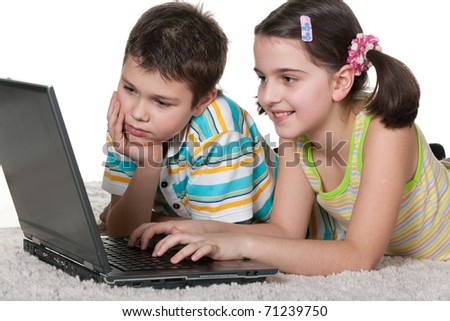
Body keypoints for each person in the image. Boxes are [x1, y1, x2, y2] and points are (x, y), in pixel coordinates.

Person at [128, 0, 449, 275]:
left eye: (289, 78)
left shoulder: (384, 130)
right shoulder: (296, 132)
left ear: (341, 83)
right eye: (263, 78)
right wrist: (192, 229)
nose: (268, 95)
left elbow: (360, 256)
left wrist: (242, 243)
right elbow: (286, 230)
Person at [100, 2, 276, 236]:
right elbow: (120, 231)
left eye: (161, 102)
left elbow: (219, 242)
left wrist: (155, 219)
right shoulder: (129, 124)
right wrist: (149, 165)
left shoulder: (220, 136)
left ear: (202, 101)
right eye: (130, 88)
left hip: (283, 234)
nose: (138, 113)